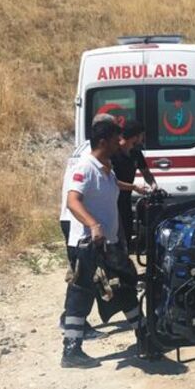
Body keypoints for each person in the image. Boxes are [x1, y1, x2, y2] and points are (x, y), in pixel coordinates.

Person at [61, 118, 144, 368]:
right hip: (88, 244)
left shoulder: (106, 167)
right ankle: (71, 350)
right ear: (102, 141)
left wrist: (136, 188)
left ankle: (145, 334)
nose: (121, 143)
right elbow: (73, 201)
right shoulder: (85, 167)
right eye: (116, 139)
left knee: (126, 285)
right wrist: (94, 225)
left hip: (109, 243)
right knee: (82, 295)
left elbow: (112, 187)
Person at [57, 114, 113, 339]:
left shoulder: (83, 149)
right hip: (78, 221)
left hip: (77, 219)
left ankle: (75, 323)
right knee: (82, 278)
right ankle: (73, 327)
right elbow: (75, 198)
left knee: (86, 277)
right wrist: (93, 223)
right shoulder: (88, 159)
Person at [111, 120, 156, 250]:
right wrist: (135, 188)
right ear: (135, 136)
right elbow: (112, 182)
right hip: (112, 202)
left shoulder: (136, 153)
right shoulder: (114, 153)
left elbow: (146, 173)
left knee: (127, 234)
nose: (143, 138)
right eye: (141, 135)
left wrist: (153, 185)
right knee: (115, 238)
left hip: (126, 201)